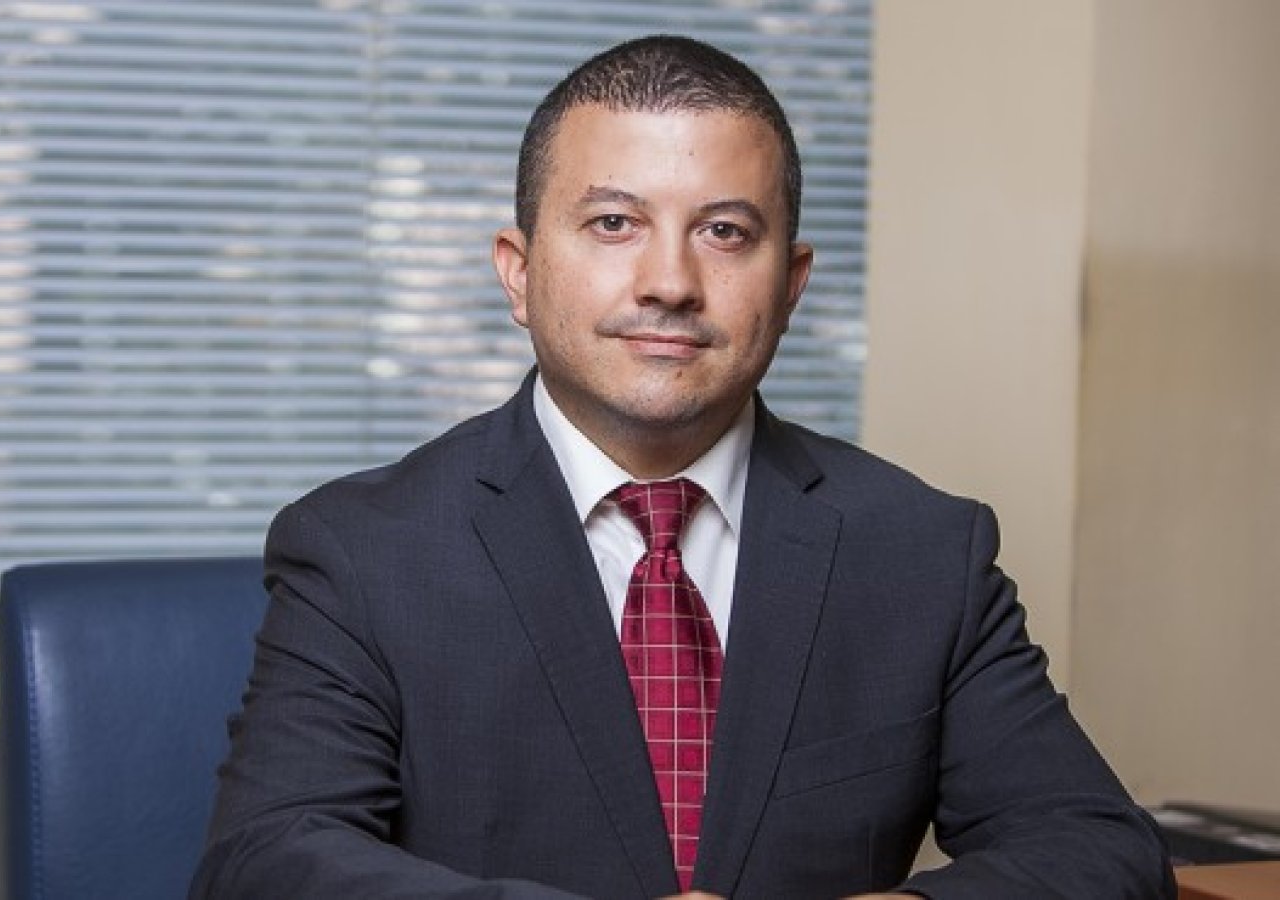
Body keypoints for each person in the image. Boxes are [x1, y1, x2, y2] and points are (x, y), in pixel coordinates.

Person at [190, 34, 1172, 899]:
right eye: (614, 223)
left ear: (791, 285)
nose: (669, 283)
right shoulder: (364, 551)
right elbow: (265, 864)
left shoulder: (921, 552)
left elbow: (1100, 852)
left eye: (724, 232)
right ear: (519, 274)